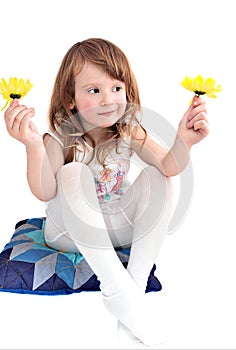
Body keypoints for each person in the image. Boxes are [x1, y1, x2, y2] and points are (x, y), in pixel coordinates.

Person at [4, 38, 209, 346]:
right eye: (94, 90)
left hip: (115, 228)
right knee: (73, 172)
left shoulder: (130, 132)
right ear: (70, 99)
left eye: (116, 88)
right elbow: (44, 191)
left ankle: (133, 287)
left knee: (158, 179)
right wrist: (33, 146)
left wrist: (185, 141)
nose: (108, 100)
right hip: (69, 234)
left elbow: (169, 165)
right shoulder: (61, 138)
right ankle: (116, 287)